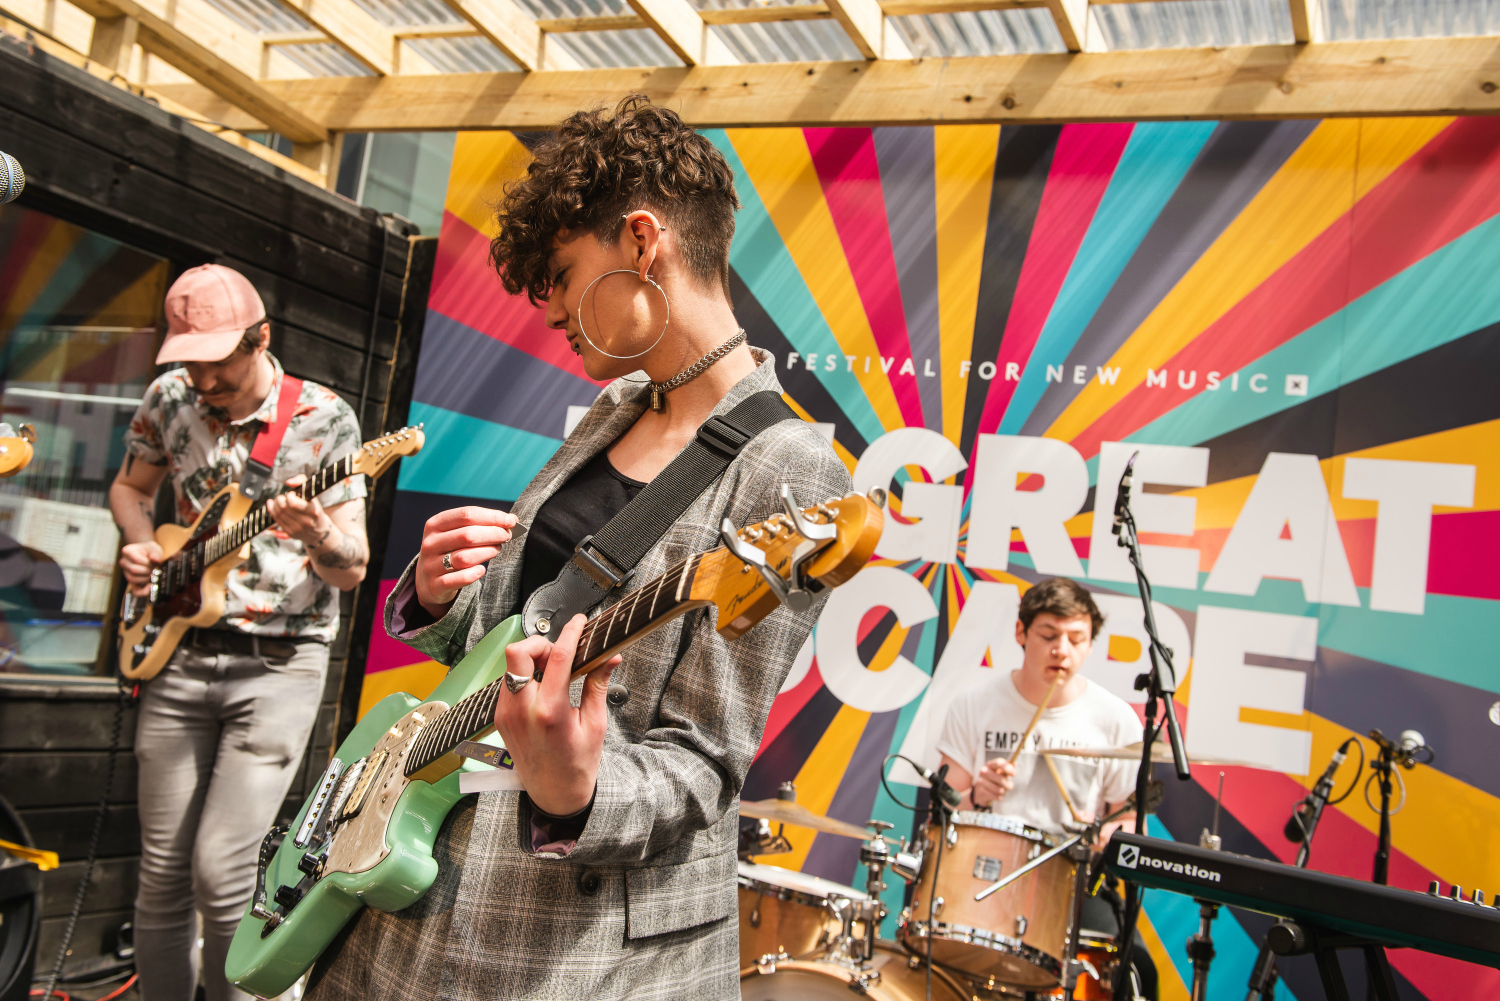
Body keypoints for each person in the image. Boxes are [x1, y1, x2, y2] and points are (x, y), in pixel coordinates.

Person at [305, 95, 849, 1001]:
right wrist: (446, 602)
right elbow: (519, 644)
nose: (548, 305)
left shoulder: (793, 471)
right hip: (415, 879)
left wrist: (578, 789)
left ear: (643, 240)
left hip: (574, 947)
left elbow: (705, 760)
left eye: (560, 272)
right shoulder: (615, 410)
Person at [109, 263, 369, 1001]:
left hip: (279, 663)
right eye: (188, 360)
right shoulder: (168, 399)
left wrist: (318, 529)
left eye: (215, 360)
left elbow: (350, 569)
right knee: (160, 870)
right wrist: (142, 545)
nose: (200, 378)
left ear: (262, 338)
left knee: (222, 869)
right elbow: (131, 489)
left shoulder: (326, 420)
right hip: (178, 649)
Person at [935, 576, 1157, 999]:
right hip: (987, 873)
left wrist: (1110, 835)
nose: (1062, 650)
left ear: (1091, 644)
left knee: (1133, 968)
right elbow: (943, 811)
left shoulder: (1116, 719)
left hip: (1075, 877)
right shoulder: (976, 703)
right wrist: (979, 794)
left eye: (1077, 639)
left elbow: (1127, 816)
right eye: (1049, 635)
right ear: (1021, 633)